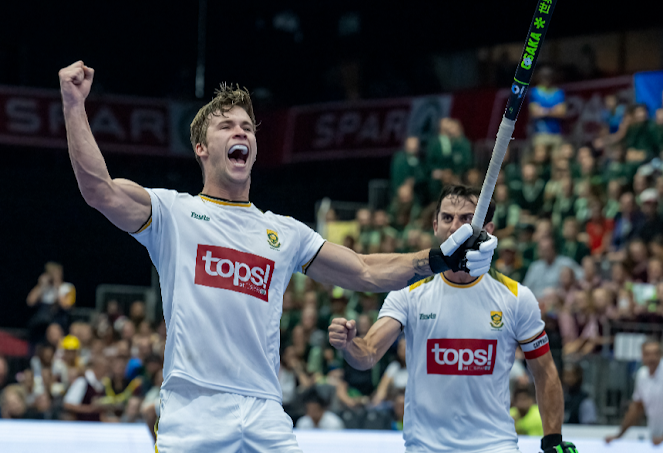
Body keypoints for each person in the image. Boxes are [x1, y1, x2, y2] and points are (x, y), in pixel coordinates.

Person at [59, 62, 497, 452]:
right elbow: (100, 190)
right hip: (194, 409)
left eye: (248, 127)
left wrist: (438, 259)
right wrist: (74, 104)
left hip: (264, 411)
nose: (241, 132)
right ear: (201, 148)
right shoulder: (172, 213)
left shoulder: (284, 233)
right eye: (227, 126)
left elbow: (365, 270)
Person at [329, 184, 575, 453]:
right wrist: (348, 344)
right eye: (447, 218)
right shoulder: (408, 293)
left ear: (488, 230)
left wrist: (552, 441)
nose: (455, 226)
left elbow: (545, 371)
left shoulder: (517, 297)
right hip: (425, 448)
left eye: (466, 219)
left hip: (494, 446)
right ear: (435, 226)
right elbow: (367, 355)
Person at [605, 339, 663, 446]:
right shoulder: (642, 375)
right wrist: (619, 435)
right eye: (647, 354)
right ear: (642, 356)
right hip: (656, 438)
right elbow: (636, 409)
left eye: (655, 354)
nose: (652, 358)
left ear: (660, 355)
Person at [528, 66, 566, 147]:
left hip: (556, 133)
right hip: (539, 133)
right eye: (544, 77)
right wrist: (553, 111)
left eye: (548, 77)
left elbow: (562, 112)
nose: (546, 79)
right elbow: (534, 113)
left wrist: (543, 111)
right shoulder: (534, 92)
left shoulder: (559, 92)